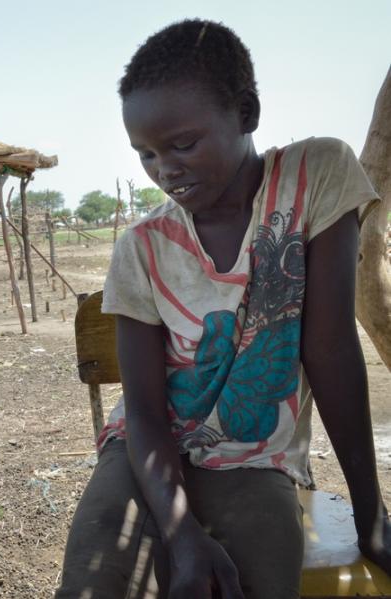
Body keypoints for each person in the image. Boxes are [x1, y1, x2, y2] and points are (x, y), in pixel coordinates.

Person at [56, 19, 385, 599]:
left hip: (256, 459)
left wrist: (371, 516)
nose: (165, 169)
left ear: (246, 113)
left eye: (182, 144)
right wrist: (181, 535)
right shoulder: (143, 248)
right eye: (146, 154)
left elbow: (329, 351)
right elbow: (145, 415)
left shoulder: (317, 178)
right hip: (147, 453)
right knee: (97, 577)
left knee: (259, 575)